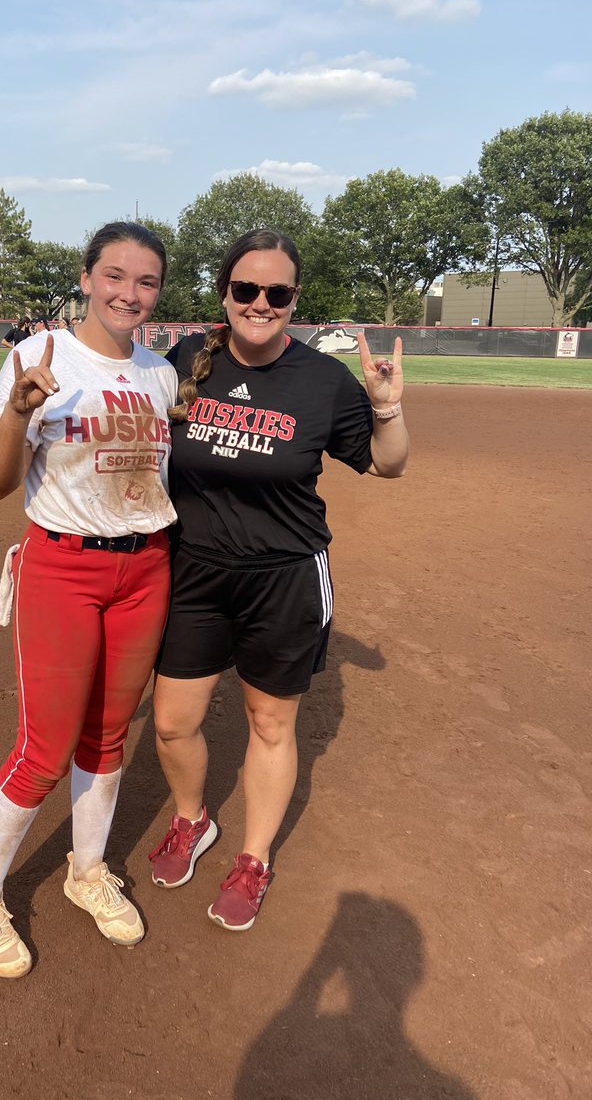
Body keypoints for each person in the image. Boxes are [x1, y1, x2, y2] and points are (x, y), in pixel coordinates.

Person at [148, 228, 410, 931]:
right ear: (224, 294)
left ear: (294, 300)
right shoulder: (183, 361)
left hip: (285, 577)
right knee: (173, 725)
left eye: (277, 293)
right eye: (246, 289)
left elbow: (389, 464)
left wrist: (385, 406)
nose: (260, 303)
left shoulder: (323, 382)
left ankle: (254, 858)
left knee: (270, 722)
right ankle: (192, 819)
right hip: (194, 572)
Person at [0, 222, 178, 978]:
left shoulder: (159, 374)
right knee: (44, 750)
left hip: (145, 571)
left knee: (108, 737)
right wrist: (19, 410)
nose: (129, 293)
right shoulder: (37, 358)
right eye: (115, 275)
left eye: (146, 282)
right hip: (64, 570)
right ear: (86, 278)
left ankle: (86, 872)